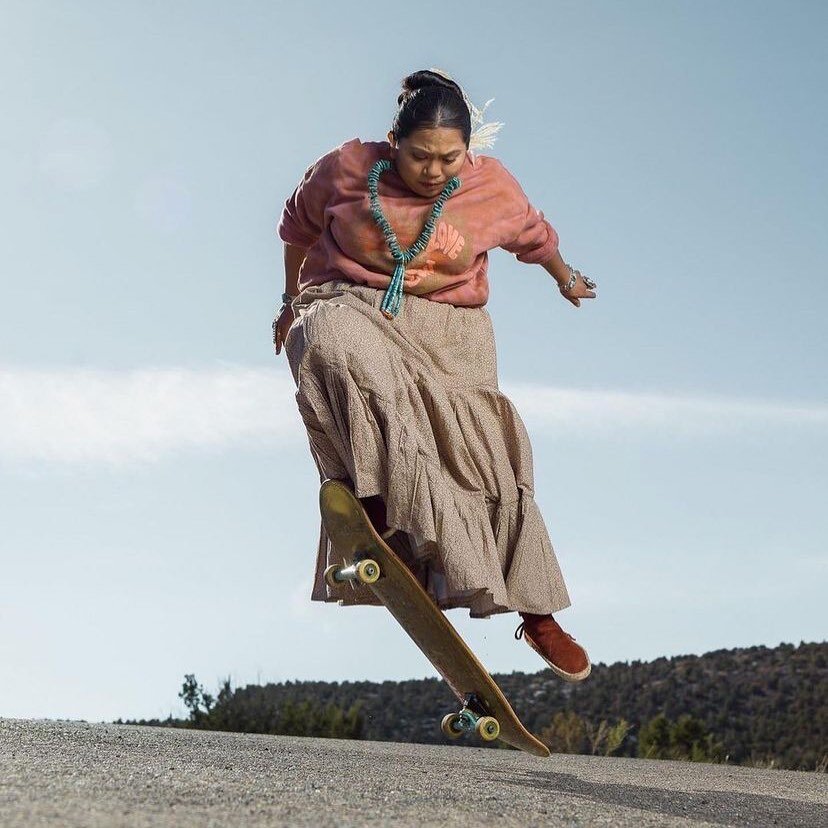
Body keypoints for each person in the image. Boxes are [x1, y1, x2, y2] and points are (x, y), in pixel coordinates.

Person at [273, 69, 597, 683]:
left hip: (454, 329)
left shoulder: (490, 186)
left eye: (449, 158)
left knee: (485, 455)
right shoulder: (343, 168)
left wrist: (567, 277)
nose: (433, 170)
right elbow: (296, 228)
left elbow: (535, 236)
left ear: (467, 152)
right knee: (326, 342)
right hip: (356, 302)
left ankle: (538, 613)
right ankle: (381, 515)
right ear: (392, 140)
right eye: (420, 156)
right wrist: (290, 300)